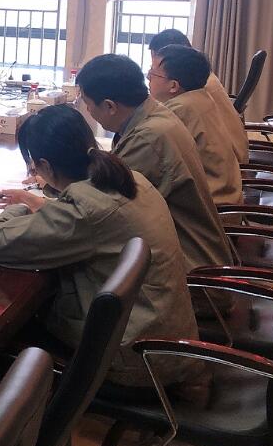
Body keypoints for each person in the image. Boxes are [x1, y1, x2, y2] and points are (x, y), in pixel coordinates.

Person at [0, 105, 201, 389]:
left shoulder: (85, 209)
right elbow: (85, 219)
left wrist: (23, 204)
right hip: (163, 342)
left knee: (2, 337)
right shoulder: (128, 177)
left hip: (131, 360)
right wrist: (41, 203)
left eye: (34, 165)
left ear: (45, 166)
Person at [76, 54, 233, 272]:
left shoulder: (147, 139)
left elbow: (98, 209)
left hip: (189, 269)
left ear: (110, 106)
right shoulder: (156, 114)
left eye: (87, 104)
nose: (88, 111)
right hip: (189, 251)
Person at [148, 45, 243, 206]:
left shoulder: (177, 111)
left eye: (152, 73)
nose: (148, 78)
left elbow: (149, 164)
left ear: (173, 86)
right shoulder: (200, 97)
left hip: (210, 209)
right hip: (225, 196)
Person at [149, 28, 248, 163]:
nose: (149, 76)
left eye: (154, 70)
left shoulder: (194, 91)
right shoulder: (201, 79)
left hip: (232, 159)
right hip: (233, 155)